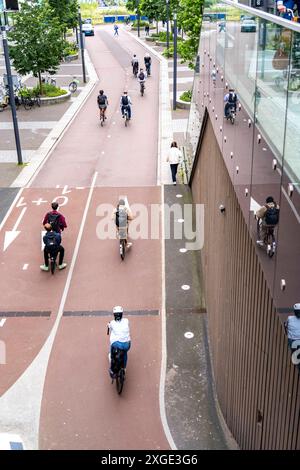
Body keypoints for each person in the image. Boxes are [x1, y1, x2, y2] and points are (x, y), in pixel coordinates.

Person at [107, 306, 131, 377]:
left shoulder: (112, 323)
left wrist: (108, 325)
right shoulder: (126, 320)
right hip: (127, 344)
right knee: (125, 352)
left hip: (117, 344)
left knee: (112, 345)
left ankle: (111, 358)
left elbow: (110, 327)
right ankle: (124, 368)